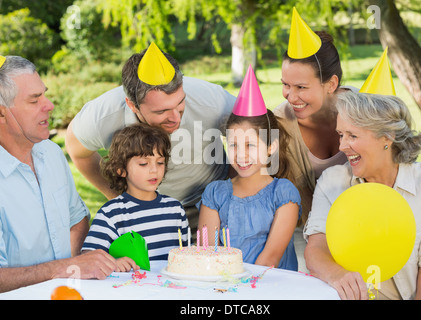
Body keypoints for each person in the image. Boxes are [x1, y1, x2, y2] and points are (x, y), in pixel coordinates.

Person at [65, 43, 236, 231]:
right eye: (161, 111)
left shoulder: (212, 101)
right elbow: (77, 149)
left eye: (180, 102)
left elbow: (259, 136)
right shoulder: (103, 116)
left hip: (207, 206)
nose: (175, 117)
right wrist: (117, 197)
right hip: (142, 212)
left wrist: (234, 191)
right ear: (133, 105)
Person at [304, 91, 421, 300]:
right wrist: (338, 275)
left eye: (352, 135)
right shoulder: (332, 182)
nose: (342, 146)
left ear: (387, 138)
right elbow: (316, 249)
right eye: (341, 135)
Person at [0, 55, 119, 293]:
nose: (49, 105)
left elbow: (77, 220)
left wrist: (71, 276)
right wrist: (64, 268)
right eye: (34, 101)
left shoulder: (51, 152)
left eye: (44, 94)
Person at [198, 66, 301, 271]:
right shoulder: (215, 194)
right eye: (234, 145)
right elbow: (208, 254)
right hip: (226, 289)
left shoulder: (283, 193)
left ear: (271, 146)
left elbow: (271, 257)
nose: (241, 155)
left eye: (250, 145)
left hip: (272, 289)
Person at [274, 10, 354, 222]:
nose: (290, 97)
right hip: (306, 233)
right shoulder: (278, 124)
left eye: (301, 87)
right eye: (285, 84)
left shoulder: (366, 111)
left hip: (365, 224)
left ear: (331, 84)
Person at [82, 123, 189, 269]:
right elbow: (89, 259)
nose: (154, 170)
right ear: (121, 170)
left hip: (171, 289)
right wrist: (114, 264)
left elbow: (186, 256)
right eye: (144, 163)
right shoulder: (111, 214)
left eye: (160, 162)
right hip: (130, 289)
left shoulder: (175, 209)